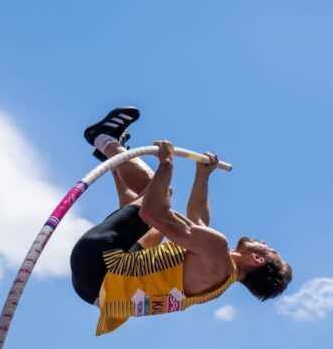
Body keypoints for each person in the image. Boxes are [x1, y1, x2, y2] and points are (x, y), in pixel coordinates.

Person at [71, 107, 292, 335]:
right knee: (155, 229)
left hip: (97, 265)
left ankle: (102, 137)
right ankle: (115, 158)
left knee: (156, 193)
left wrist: (166, 164)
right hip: (95, 291)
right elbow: (196, 223)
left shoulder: (218, 251)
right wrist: (202, 176)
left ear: (256, 259)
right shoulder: (218, 278)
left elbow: (151, 211)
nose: (264, 242)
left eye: (269, 249)